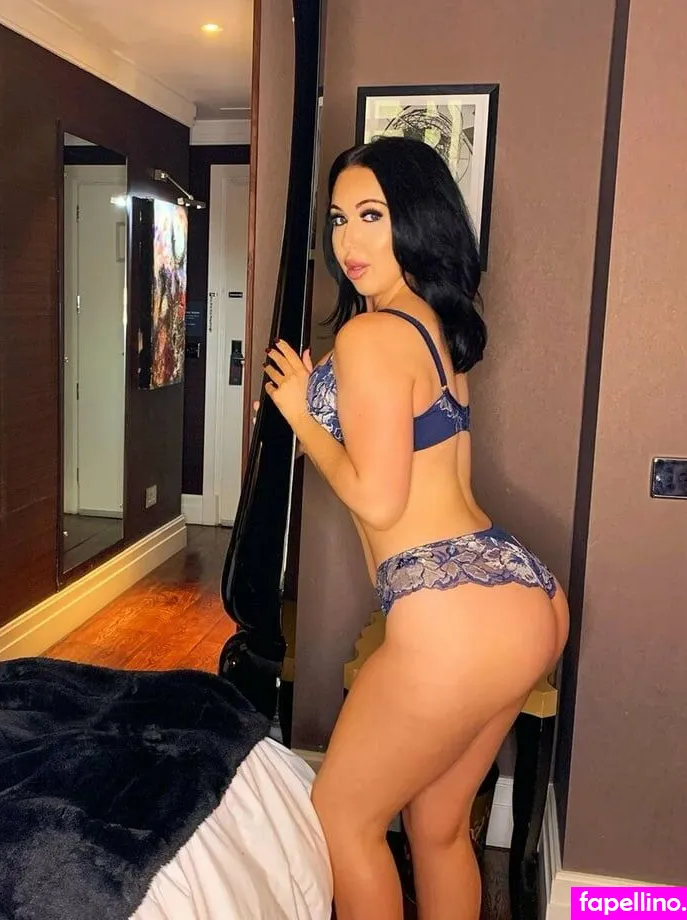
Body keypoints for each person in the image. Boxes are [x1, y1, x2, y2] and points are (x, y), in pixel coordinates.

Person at [262, 136, 569, 920]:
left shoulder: (370, 336)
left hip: (449, 612)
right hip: (523, 594)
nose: (349, 240)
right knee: (436, 825)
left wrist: (303, 417)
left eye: (373, 214)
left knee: (342, 817)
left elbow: (378, 500)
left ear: (418, 218)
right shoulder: (433, 326)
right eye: (339, 218)